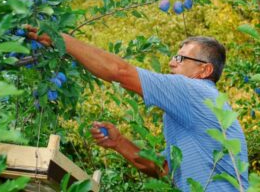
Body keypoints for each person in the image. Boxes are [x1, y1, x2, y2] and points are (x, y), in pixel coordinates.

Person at [27, 27, 249, 191]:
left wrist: (60, 39)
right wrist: (120, 142)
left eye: (180, 58)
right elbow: (162, 168)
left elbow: (120, 72)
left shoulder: (194, 91)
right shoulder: (195, 110)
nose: (171, 63)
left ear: (203, 70)